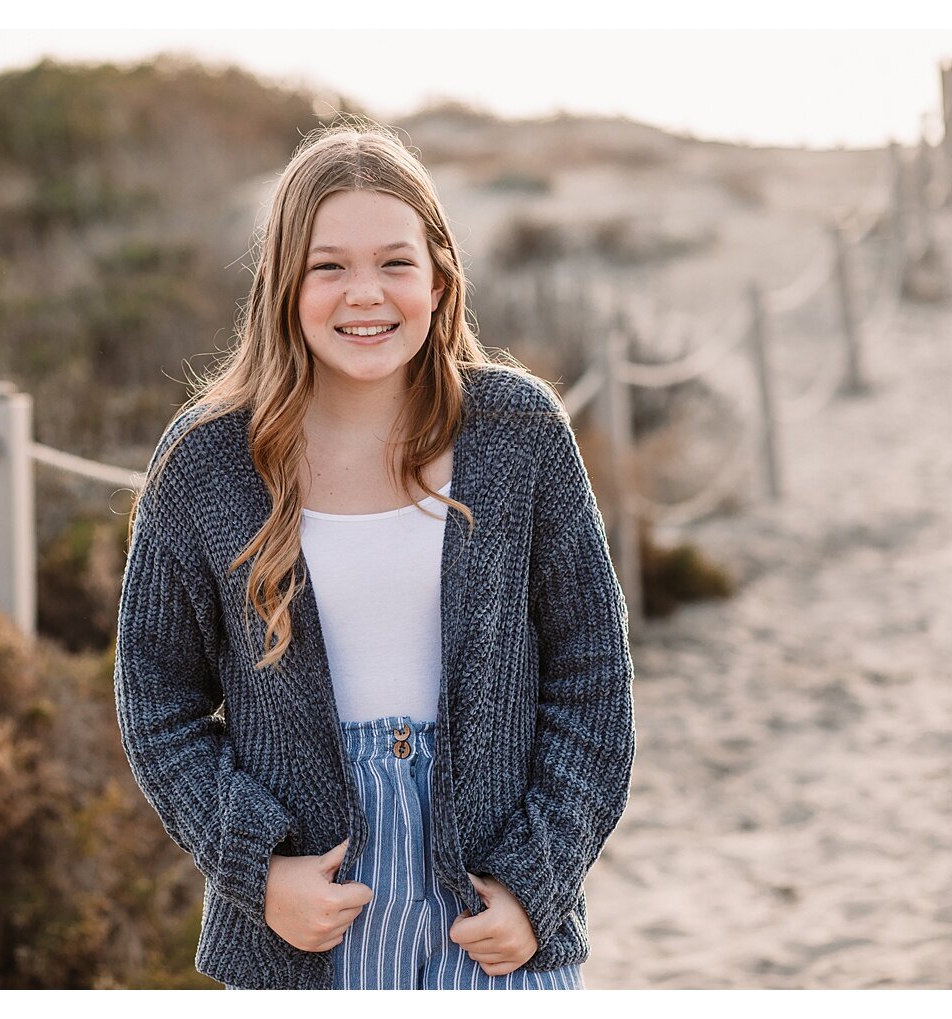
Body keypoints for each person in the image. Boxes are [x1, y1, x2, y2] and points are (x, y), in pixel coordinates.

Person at [113, 119, 636, 991]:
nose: (367, 294)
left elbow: (593, 675)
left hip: (495, 907)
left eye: (396, 262)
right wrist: (257, 869)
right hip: (304, 922)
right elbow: (155, 698)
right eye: (330, 267)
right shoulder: (203, 463)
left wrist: (535, 880)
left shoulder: (520, 434)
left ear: (439, 276)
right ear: (284, 284)